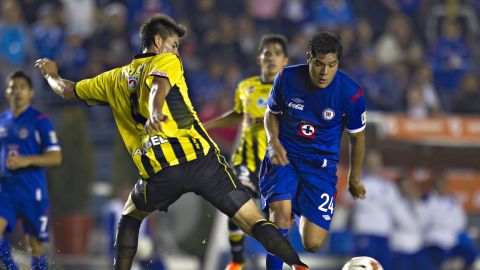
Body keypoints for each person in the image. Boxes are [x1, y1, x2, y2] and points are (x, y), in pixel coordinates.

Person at [34, 13, 309, 270]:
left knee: (130, 219)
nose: (177, 51)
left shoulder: (111, 79)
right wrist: (154, 112)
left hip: (159, 172)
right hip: (201, 161)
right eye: (174, 44)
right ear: (158, 42)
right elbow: (158, 87)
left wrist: (50, 75)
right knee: (252, 221)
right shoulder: (166, 61)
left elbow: (68, 90)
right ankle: (299, 266)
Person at [259, 31, 367, 269]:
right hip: (285, 155)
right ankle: (285, 206)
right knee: (279, 217)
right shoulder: (286, 78)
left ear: (338, 63)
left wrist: (354, 178)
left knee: (313, 243)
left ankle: (294, 202)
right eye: (319, 64)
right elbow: (271, 114)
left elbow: (357, 138)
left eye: (331, 65)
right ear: (309, 57)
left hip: (321, 167)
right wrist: (273, 142)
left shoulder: (352, 94)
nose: (324, 72)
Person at [204, 34, 289, 270]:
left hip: (276, 165)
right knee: (235, 199)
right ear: (259, 58)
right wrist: (207, 126)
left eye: (277, 53)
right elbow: (237, 114)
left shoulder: (291, 90)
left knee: (278, 219)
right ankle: (237, 259)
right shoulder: (245, 86)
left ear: (285, 60)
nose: (271, 58)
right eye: (267, 53)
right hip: (246, 161)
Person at [0, 70, 62, 270]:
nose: (17, 91)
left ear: (31, 92)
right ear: (6, 91)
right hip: (6, 190)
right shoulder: (2, 121)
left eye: (22, 87)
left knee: (35, 246)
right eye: (13, 87)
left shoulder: (40, 121)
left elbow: (55, 157)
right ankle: (12, 268)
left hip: (32, 190)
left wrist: (26, 160)